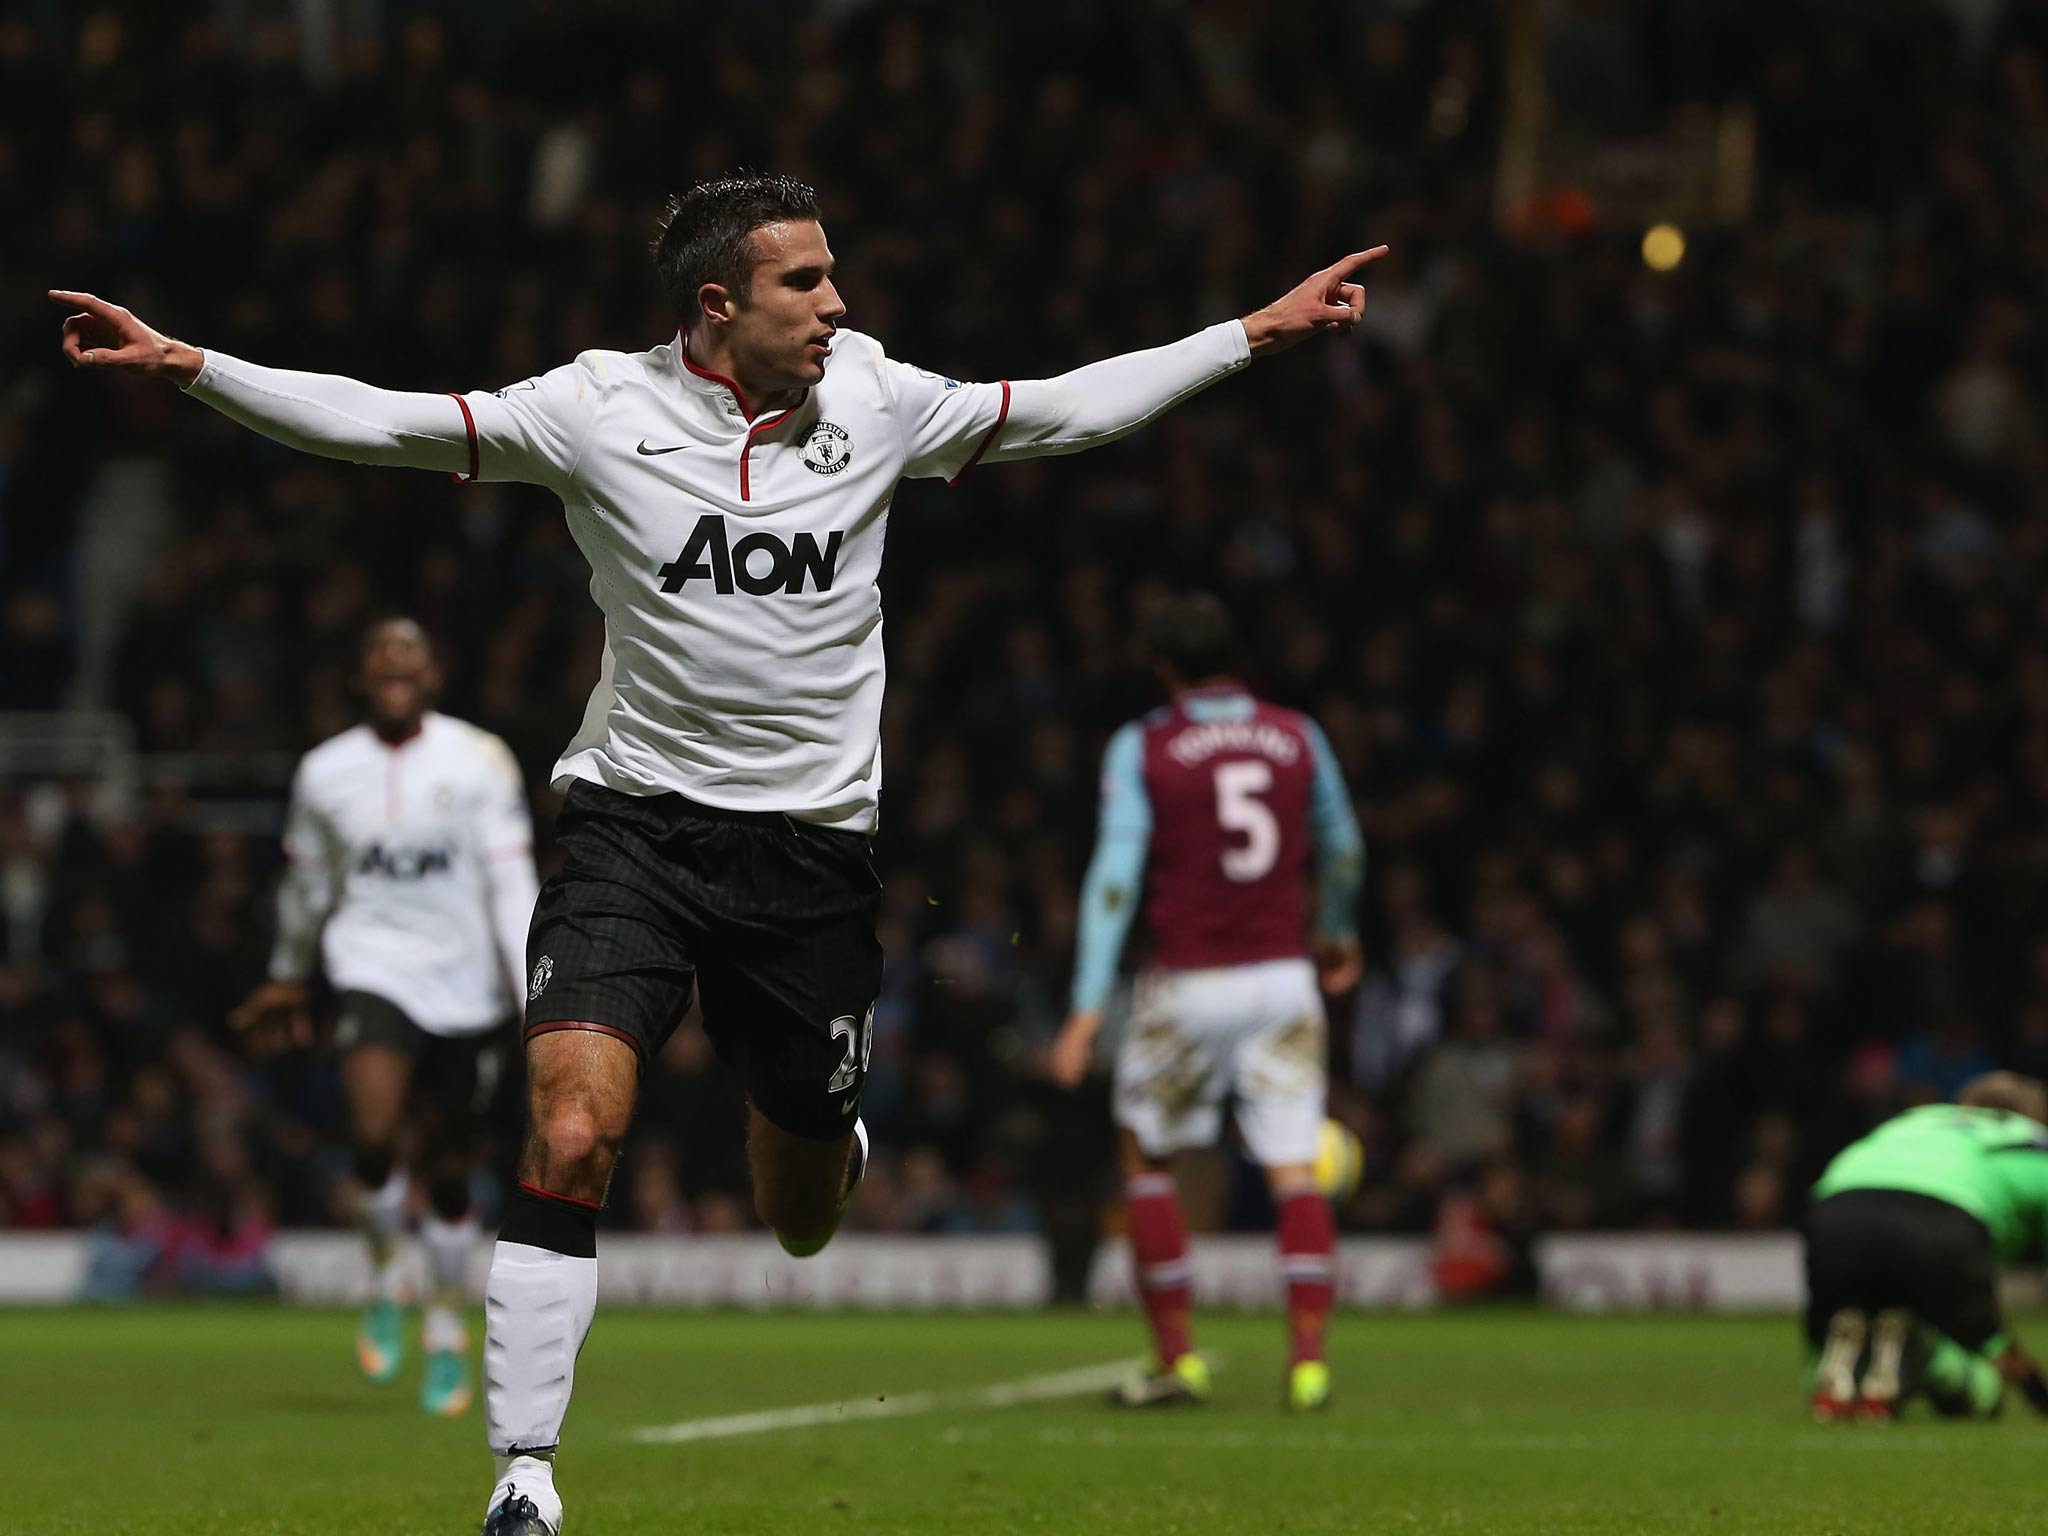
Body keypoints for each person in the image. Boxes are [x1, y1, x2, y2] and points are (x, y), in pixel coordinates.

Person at [53, 171, 1387, 1535]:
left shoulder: (877, 397)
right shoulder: (593, 410)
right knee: (571, 1128)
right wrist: (190, 367)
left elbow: (1058, 409)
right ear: (718, 305)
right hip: (632, 827)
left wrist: (1254, 334)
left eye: (832, 277)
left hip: (807, 863)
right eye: (805, 282)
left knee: (800, 1207)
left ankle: (827, 1130)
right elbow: (387, 425)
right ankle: (523, 1473)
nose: (838, 303)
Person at [1049, 592, 1364, 1411]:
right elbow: (1344, 849)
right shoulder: (1297, 736)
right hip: (1284, 979)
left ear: (1162, 667)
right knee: (1298, 1167)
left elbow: (1115, 879)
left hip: (1186, 982)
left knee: (1146, 1158)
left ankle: (1176, 1360)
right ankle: (1308, 1364)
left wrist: (1086, 1009)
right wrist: (1334, 931)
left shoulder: (1145, 745)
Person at [230, 618, 537, 1419]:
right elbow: (307, 890)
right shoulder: (325, 773)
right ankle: (383, 1269)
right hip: (372, 968)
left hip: (469, 988)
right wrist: (289, 974)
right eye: (381, 655)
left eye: (412, 654)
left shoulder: (479, 760)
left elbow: (511, 884)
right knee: (371, 1136)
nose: (397, 664)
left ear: (432, 675)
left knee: (446, 1173)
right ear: (361, 677)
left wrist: (537, 997)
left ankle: (442, 1320)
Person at [1805, 1071, 2048, 1421]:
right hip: (1943, 1217)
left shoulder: (1918, 1118)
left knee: (1837, 1325)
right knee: (1982, 1393)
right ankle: (1924, 1351)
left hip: (1836, 1208)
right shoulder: (2030, 1141)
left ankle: (1838, 1372)